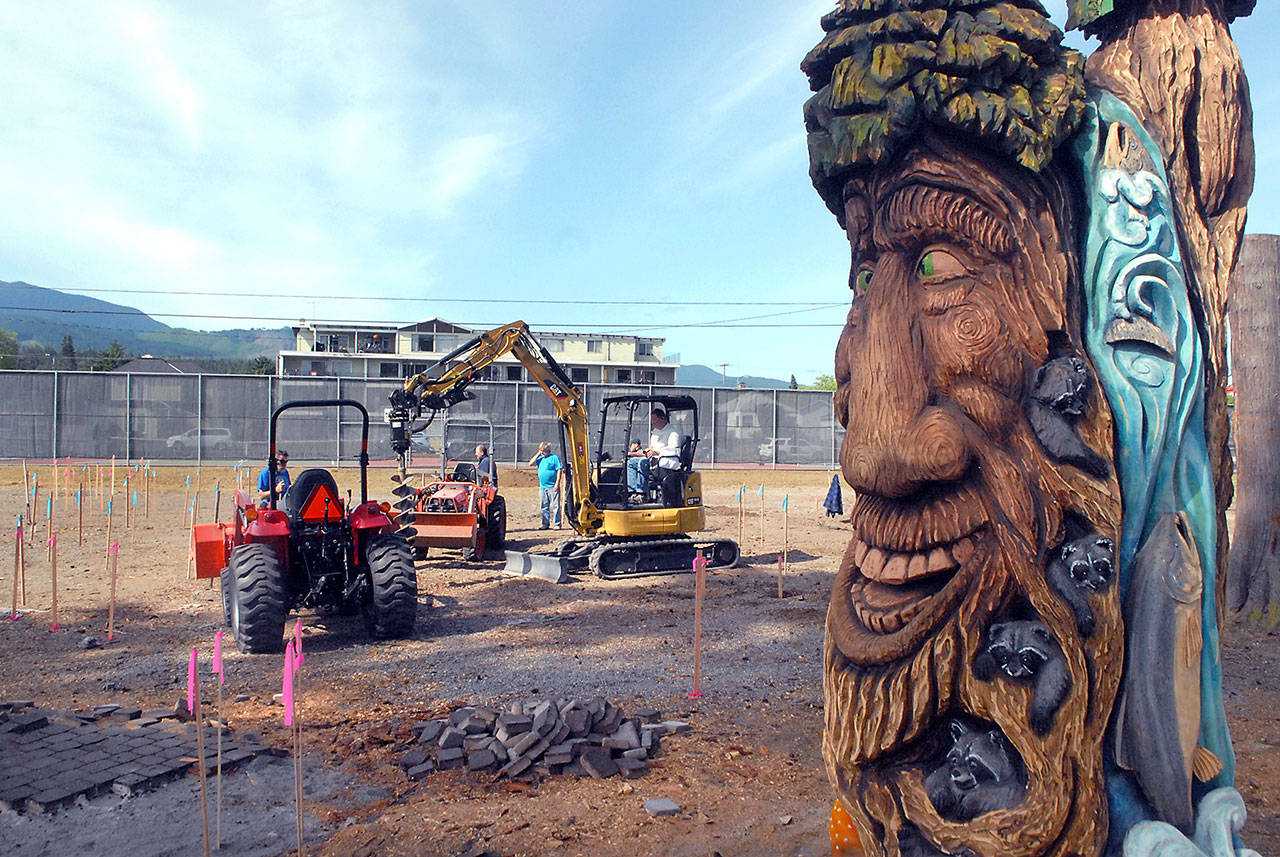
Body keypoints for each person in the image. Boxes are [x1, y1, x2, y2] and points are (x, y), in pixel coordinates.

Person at [643, 408, 684, 504]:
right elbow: (652, 447)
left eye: (655, 420)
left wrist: (656, 453)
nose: (653, 423)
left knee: (641, 464)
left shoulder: (673, 433)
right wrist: (645, 451)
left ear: (663, 419)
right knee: (633, 463)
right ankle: (636, 492)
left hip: (666, 462)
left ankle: (641, 494)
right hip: (653, 460)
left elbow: (674, 450)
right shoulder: (656, 432)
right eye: (652, 421)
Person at [527, 442, 562, 529]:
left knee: (555, 506)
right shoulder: (540, 459)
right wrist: (538, 453)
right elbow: (530, 463)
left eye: (543, 450)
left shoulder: (554, 458)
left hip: (553, 486)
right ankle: (545, 524)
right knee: (544, 506)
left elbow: (559, 470)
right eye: (541, 450)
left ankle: (557, 524)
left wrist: (557, 483)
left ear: (548, 450)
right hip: (543, 487)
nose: (542, 452)